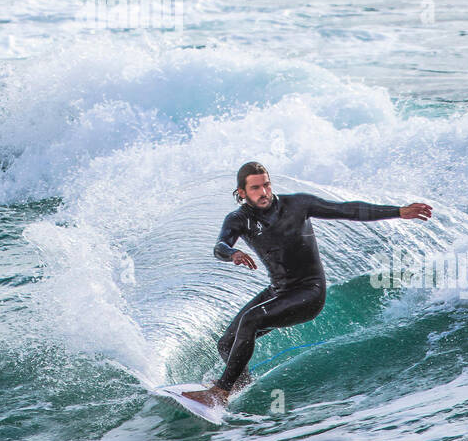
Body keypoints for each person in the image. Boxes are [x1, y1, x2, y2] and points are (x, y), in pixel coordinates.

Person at [183, 162, 432, 411]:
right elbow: (220, 246)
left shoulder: (297, 205)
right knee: (225, 343)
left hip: (309, 293)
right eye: (256, 188)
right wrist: (233, 253)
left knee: (251, 319)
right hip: (280, 290)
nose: (264, 192)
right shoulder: (238, 219)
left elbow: (348, 210)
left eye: (266, 185)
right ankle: (239, 381)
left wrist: (399, 211)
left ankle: (220, 393)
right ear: (242, 192)